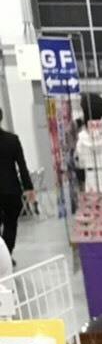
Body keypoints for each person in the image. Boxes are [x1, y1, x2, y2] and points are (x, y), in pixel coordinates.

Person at [0, 109, 34, 256]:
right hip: (11, 190)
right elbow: (22, 165)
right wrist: (28, 187)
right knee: (11, 224)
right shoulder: (12, 140)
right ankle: (6, 254)